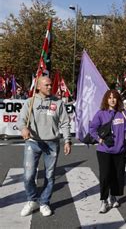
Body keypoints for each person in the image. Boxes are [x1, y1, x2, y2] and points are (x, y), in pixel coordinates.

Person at [17, 76, 72, 217]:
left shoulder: (58, 103)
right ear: (39, 87)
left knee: (50, 175)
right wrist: (23, 129)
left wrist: (67, 141)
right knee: (28, 175)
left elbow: (65, 123)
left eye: (50, 85)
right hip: (33, 142)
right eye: (46, 85)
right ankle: (32, 200)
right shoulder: (30, 102)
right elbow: (21, 120)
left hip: (52, 143)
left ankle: (44, 202)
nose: (49, 87)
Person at [89, 89, 126, 213]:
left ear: (118, 99)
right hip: (104, 151)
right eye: (109, 97)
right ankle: (104, 200)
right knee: (105, 176)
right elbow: (92, 129)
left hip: (120, 150)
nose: (112, 100)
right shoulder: (101, 113)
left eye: (114, 97)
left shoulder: (122, 114)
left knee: (118, 176)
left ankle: (113, 196)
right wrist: (99, 139)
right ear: (106, 100)